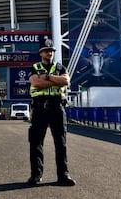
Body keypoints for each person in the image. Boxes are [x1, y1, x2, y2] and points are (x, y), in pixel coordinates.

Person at [27, 37, 76, 186]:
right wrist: (55, 80)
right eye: (46, 51)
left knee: (61, 143)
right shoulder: (34, 68)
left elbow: (65, 81)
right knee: (36, 143)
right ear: (41, 53)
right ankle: (36, 174)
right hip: (39, 108)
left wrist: (47, 77)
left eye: (51, 51)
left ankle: (63, 175)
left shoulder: (61, 67)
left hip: (57, 108)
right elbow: (35, 82)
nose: (50, 53)